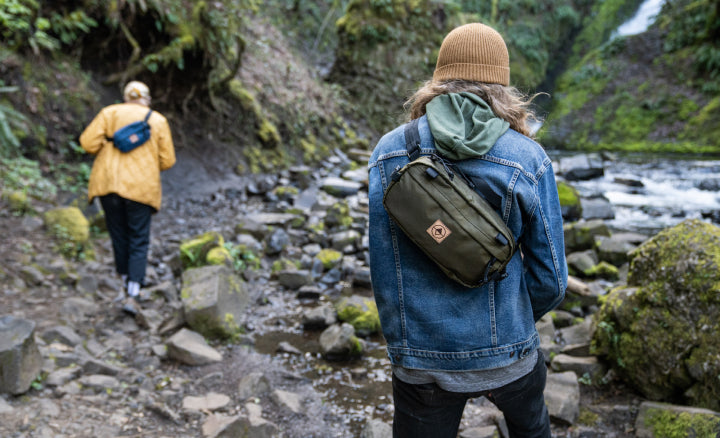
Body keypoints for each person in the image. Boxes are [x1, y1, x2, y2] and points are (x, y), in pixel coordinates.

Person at [367, 23, 568, 437]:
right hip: (509, 352)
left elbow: (383, 266)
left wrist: (403, 341)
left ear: (438, 79)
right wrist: (515, 321)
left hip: (420, 359)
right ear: (503, 85)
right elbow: (552, 280)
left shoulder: (389, 152)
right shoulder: (527, 158)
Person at [80, 81, 176, 314]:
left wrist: (108, 144)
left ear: (125, 97)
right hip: (140, 187)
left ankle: (123, 282)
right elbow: (168, 160)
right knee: (138, 236)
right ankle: (134, 289)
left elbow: (87, 143)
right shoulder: (157, 120)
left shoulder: (109, 113)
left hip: (108, 183)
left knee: (118, 234)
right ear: (147, 98)